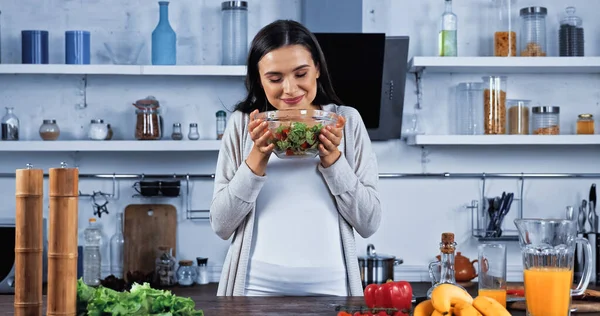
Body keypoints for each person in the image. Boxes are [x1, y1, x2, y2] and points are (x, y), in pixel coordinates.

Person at [209, 19, 381, 297]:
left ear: (317, 70)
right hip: (253, 289)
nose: (289, 89)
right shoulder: (242, 125)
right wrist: (257, 156)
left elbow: (369, 222)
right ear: (259, 79)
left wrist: (334, 160)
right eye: (275, 79)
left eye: (300, 73)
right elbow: (221, 224)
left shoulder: (346, 122)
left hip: (333, 290)